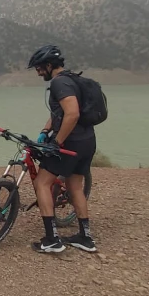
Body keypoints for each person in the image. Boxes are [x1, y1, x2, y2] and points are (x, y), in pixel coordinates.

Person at [27, 44, 97, 254]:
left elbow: (72, 114)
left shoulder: (59, 83)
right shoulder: (73, 79)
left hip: (70, 143)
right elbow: (61, 112)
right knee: (75, 187)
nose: (38, 73)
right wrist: (45, 130)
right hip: (87, 141)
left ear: (49, 65)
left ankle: (52, 240)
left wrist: (56, 142)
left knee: (42, 183)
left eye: (39, 68)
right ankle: (85, 237)